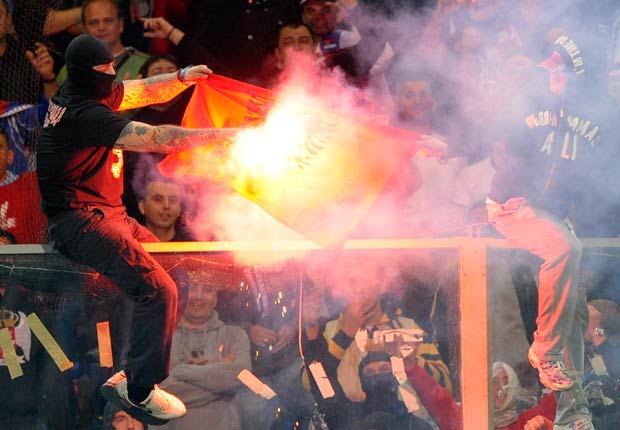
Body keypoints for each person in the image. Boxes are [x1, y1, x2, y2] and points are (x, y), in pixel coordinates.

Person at [36, 33, 236, 424]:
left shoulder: (89, 89)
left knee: (176, 263)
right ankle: (139, 387)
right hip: (79, 222)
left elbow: (139, 91)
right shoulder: (81, 112)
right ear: (85, 75)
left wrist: (180, 77)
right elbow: (159, 138)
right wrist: (221, 138)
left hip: (112, 213)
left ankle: (132, 368)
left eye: (113, 66)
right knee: (158, 289)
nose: (112, 74)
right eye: (104, 70)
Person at [485, 34, 614, 430]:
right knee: (564, 248)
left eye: (559, 70)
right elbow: (503, 148)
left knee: (575, 310)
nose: (552, 76)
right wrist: (514, 195)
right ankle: (544, 348)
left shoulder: (598, 116)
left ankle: (572, 410)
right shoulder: (528, 103)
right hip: (512, 207)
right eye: (551, 69)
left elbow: (590, 174)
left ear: (578, 76)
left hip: (552, 212)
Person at [157, 259, 252, 430]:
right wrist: (221, 383)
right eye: (193, 288)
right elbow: (160, 391)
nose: (199, 296)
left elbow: (240, 377)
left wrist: (179, 372)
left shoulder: (234, 336)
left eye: (208, 289)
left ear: (216, 299)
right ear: (182, 293)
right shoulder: (161, 337)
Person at [56, 0, 149, 85]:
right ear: (85, 29)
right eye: (94, 23)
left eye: (108, 21)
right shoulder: (71, 68)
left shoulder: (147, 64)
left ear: (121, 24)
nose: (101, 27)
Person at [135, 168, 194, 242]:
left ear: (180, 208)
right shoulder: (131, 245)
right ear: (142, 206)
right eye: (158, 199)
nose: (166, 206)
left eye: (172, 200)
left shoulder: (192, 246)